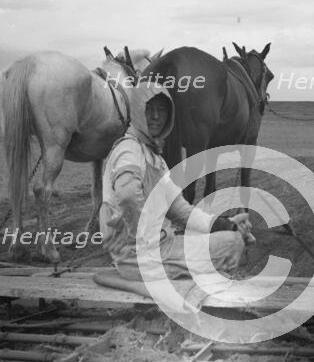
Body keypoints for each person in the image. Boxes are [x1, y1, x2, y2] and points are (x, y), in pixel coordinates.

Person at [99, 81, 252, 284]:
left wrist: (225, 225)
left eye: (161, 110)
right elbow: (127, 195)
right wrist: (147, 240)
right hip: (139, 257)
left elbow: (180, 210)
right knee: (231, 244)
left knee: (230, 236)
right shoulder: (129, 150)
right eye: (149, 109)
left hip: (156, 249)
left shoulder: (154, 158)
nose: (156, 117)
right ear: (137, 111)